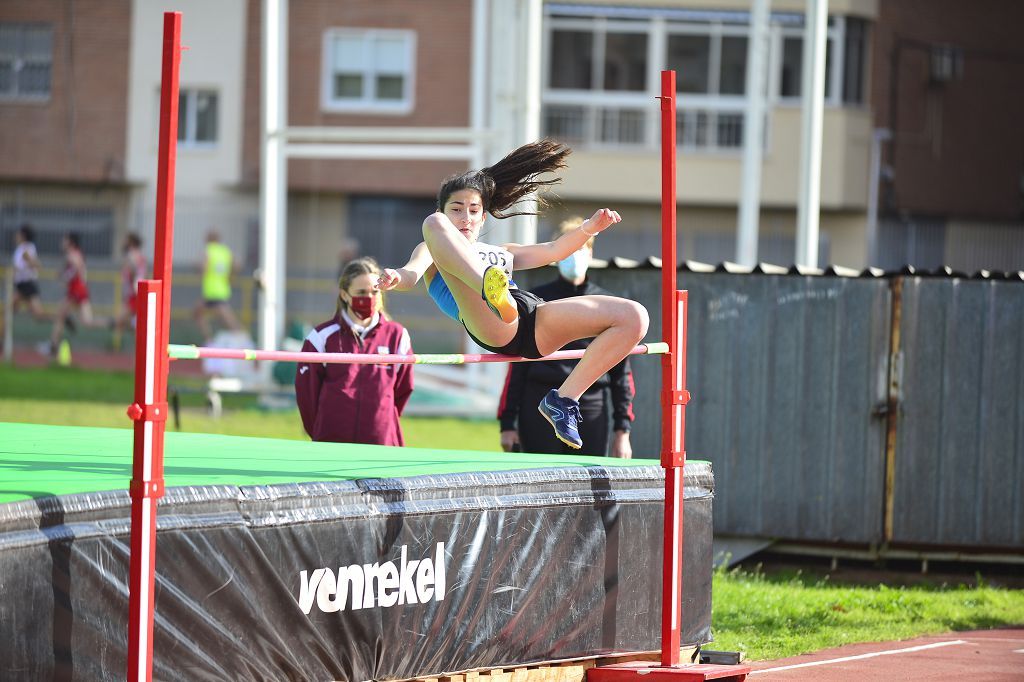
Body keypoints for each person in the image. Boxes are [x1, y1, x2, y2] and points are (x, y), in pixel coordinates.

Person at [377, 139, 648, 450]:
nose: (465, 217)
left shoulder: (500, 252)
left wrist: (589, 228)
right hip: (487, 322)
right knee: (433, 225)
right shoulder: (432, 245)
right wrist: (396, 277)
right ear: (445, 210)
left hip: (529, 317)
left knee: (634, 317)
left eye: (473, 210)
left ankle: (563, 399)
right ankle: (489, 291)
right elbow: (412, 275)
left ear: (483, 217)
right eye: (456, 209)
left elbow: (553, 250)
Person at [498, 217, 635, 457]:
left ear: (591, 254)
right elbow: (516, 367)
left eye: (582, 249)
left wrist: (623, 430)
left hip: (590, 406)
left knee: (587, 484)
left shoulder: (609, 307)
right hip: (537, 402)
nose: (575, 256)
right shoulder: (538, 300)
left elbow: (621, 373)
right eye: (570, 249)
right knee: (540, 482)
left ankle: (568, 399)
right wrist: (507, 423)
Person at [296, 257, 414, 446]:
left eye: (375, 291)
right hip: (331, 442)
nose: (368, 298)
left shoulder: (398, 336)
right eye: (361, 292)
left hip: (382, 442)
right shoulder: (321, 337)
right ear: (344, 295)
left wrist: (382, 420)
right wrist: (321, 428)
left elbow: (403, 389)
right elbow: (307, 394)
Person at [47, 232, 109, 355]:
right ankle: (111, 323)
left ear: (70, 242)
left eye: (64, 240)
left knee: (60, 315)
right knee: (87, 322)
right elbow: (78, 271)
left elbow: (77, 270)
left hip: (76, 290)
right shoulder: (76, 254)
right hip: (79, 289)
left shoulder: (72, 255)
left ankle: (53, 346)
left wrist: (65, 277)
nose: (62, 242)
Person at [193, 229, 240, 341]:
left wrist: (197, 267)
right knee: (199, 313)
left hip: (212, 290)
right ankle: (210, 338)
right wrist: (230, 276)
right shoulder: (225, 251)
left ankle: (240, 338)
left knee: (227, 319)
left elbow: (203, 268)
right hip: (222, 289)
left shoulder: (209, 250)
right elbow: (237, 265)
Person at [10, 224, 49, 324]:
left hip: (27, 285)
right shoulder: (21, 248)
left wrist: (30, 260)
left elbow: (36, 264)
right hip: (21, 285)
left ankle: (61, 319)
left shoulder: (27, 248)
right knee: (11, 310)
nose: (16, 235)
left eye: (18, 233)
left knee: (38, 315)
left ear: (23, 235)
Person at [113, 232, 148, 339]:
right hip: (135, 292)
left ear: (131, 242)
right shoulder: (139, 256)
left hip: (135, 293)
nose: (123, 242)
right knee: (124, 321)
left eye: (126, 240)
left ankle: (139, 329)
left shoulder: (132, 255)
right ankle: (137, 328)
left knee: (120, 320)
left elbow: (134, 272)